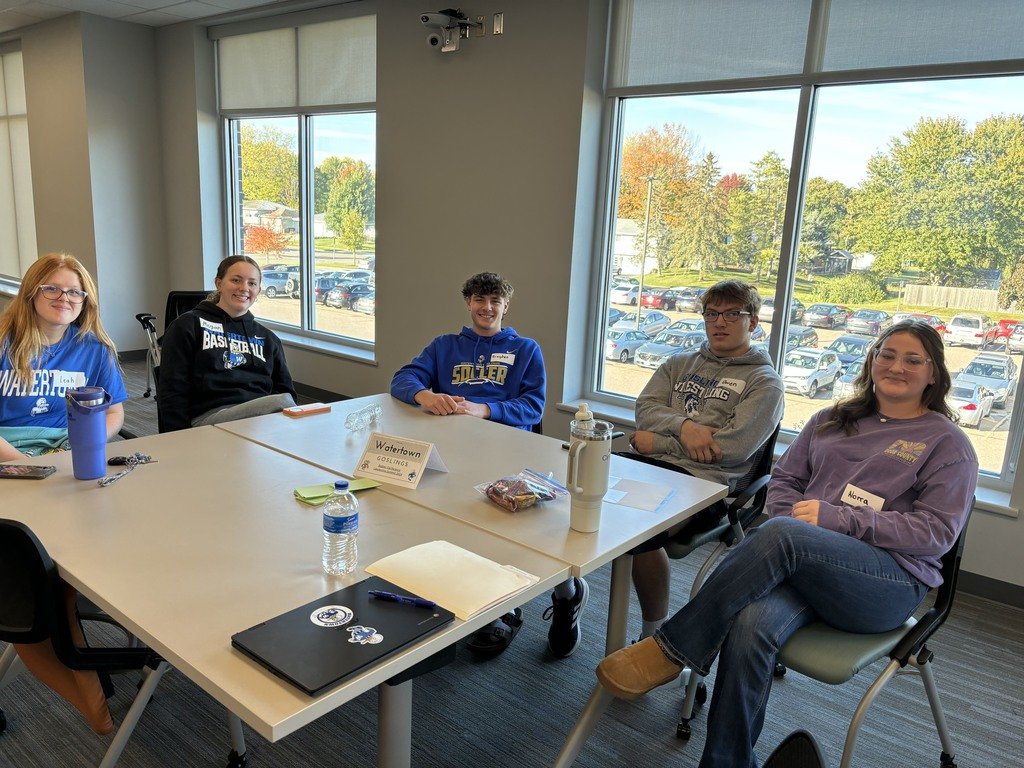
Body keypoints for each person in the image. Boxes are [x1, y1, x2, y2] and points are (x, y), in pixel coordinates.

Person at [596, 320, 978, 768]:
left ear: (934, 374)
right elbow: (785, 482)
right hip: (806, 564)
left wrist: (834, 520)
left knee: (785, 535)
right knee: (749, 622)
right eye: (887, 355)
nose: (897, 366)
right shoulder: (831, 421)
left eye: (914, 360)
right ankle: (727, 762)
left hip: (886, 582)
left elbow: (936, 533)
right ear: (872, 362)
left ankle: (674, 647)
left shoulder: (947, 443)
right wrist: (793, 527)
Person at [390, 272, 586, 659]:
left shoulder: (525, 349)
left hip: (506, 452)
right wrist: (424, 395)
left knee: (500, 531)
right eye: (480, 300)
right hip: (454, 446)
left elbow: (533, 406)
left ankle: (519, 605)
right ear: (468, 303)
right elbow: (402, 378)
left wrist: (485, 408)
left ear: (506, 306)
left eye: (495, 301)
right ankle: (468, 590)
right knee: (441, 518)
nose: (487, 307)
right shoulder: (445, 345)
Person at [626, 280, 784, 640]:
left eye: (732, 314)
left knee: (634, 530)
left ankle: (654, 636)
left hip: (702, 483)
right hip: (647, 466)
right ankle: (570, 595)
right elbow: (644, 408)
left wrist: (659, 441)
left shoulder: (764, 383)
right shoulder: (678, 363)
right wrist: (685, 428)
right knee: (576, 497)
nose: (720, 322)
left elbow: (731, 448)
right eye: (712, 314)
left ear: (753, 322)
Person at [0, 252, 127, 462]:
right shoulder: (4, 342)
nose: (64, 298)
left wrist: (88, 443)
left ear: (84, 301)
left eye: (75, 292)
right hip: (7, 453)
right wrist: (28, 465)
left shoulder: (96, 349)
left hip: (67, 451)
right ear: (31, 293)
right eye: (51, 289)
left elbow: (113, 413)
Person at [158, 255, 296, 432]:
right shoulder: (188, 326)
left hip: (260, 421)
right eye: (236, 280)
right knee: (282, 402)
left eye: (252, 283)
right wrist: (180, 438)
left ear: (258, 290)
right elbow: (172, 390)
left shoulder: (268, 339)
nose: (244, 288)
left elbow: (287, 390)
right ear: (219, 283)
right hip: (209, 419)